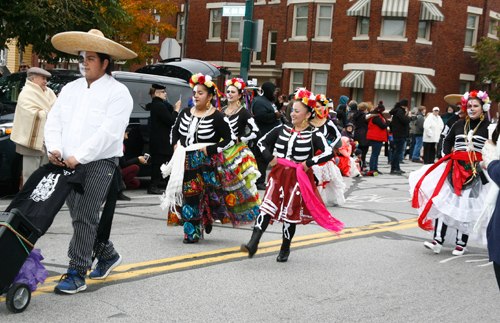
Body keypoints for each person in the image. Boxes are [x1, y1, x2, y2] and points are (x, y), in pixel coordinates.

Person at [46, 29, 137, 294]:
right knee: (79, 217)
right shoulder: (70, 89)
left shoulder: (118, 93)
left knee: (85, 213)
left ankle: (77, 271)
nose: (84, 62)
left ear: (106, 62)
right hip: (67, 161)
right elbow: (54, 120)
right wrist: (54, 148)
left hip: (100, 162)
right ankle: (107, 254)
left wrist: (79, 156)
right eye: (82, 57)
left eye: (91, 58)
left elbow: (108, 132)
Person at [241, 89, 343, 262]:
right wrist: (270, 158)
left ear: (308, 114)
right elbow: (260, 142)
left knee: (290, 213)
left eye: (297, 111)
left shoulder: (314, 134)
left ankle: (285, 247)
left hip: (298, 178)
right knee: (266, 207)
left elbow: (329, 152)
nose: (293, 114)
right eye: (292, 110)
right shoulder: (281, 129)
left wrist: (308, 163)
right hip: (278, 174)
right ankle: (253, 242)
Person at [410, 90, 491, 256]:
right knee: (443, 202)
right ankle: (437, 240)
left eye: (476, 106)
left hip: (475, 171)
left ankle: (461, 243)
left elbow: (493, 147)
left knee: (467, 206)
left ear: (483, 107)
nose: (472, 109)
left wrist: (487, 162)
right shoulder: (458, 124)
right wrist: (446, 157)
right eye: (469, 106)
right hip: (454, 168)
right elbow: (446, 140)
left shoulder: (488, 128)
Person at [161, 73, 236, 243]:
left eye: (200, 93)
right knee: (187, 195)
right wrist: (175, 143)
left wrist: (210, 148)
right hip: (184, 159)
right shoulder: (185, 112)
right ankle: (192, 232)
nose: (196, 96)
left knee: (206, 196)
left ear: (210, 96)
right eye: (195, 92)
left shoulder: (218, 117)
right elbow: (174, 129)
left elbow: (230, 139)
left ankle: (205, 220)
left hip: (204, 161)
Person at [221, 78, 261, 226]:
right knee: (222, 182)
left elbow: (256, 131)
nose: (229, 94)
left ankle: (249, 211)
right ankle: (225, 212)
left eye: (233, 92)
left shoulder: (244, 112)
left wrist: (241, 138)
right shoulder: (222, 111)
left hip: (236, 152)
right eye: (228, 91)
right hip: (221, 149)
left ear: (239, 95)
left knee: (240, 182)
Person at [11, 67, 57, 184]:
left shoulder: (49, 92)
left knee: (45, 176)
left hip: (47, 141)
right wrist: (48, 113)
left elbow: (57, 109)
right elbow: (29, 114)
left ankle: (40, 201)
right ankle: (28, 200)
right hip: (30, 142)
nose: (45, 81)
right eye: (43, 78)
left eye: (46, 79)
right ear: (33, 79)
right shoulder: (26, 93)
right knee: (30, 176)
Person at [310, 94, 345, 205]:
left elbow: (338, 136)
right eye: (315, 106)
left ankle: (325, 199)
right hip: (310, 154)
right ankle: (311, 198)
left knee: (328, 178)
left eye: (319, 106)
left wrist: (330, 146)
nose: (317, 108)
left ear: (324, 107)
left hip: (323, 154)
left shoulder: (328, 122)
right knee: (312, 177)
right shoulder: (307, 121)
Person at [146, 84, 181, 195]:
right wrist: (176, 110)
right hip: (161, 139)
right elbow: (170, 120)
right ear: (156, 93)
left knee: (162, 161)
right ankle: (153, 185)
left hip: (158, 138)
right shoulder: (159, 106)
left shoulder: (158, 105)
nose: (165, 93)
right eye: (162, 92)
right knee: (159, 163)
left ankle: (162, 183)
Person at [250, 81, 282, 190]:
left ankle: (261, 180)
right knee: (261, 159)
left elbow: (271, 109)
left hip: (269, 135)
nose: (274, 94)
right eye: (273, 91)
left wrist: (279, 104)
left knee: (264, 159)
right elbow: (260, 116)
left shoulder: (267, 101)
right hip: (262, 135)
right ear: (268, 91)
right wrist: (275, 116)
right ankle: (259, 182)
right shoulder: (259, 102)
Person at [389, 99, 412, 175]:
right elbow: (404, 120)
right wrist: (409, 117)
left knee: (398, 151)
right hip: (400, 134)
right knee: (398, 152)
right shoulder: (400, 111)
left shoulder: (397, 110)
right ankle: (394, 168)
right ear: (405, 105)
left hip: (398, 133)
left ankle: (397, 167)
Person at [366, 101, 390, 175]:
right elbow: (383, 126)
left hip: (376, 137)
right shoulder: (377, 118)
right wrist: (388, 122)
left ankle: (374, 168)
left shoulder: (375, 116)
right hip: (376, 137)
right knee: (375, 154)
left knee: (375, 153)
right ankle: (373, 168)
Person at [352, 102, 369, 170]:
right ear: (365, 109)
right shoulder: (365, 116)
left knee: (358, 151)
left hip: (357, 133)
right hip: (364, 134)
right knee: (364, 152)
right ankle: (361, 166)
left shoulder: (356, 115)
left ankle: (357, 165)